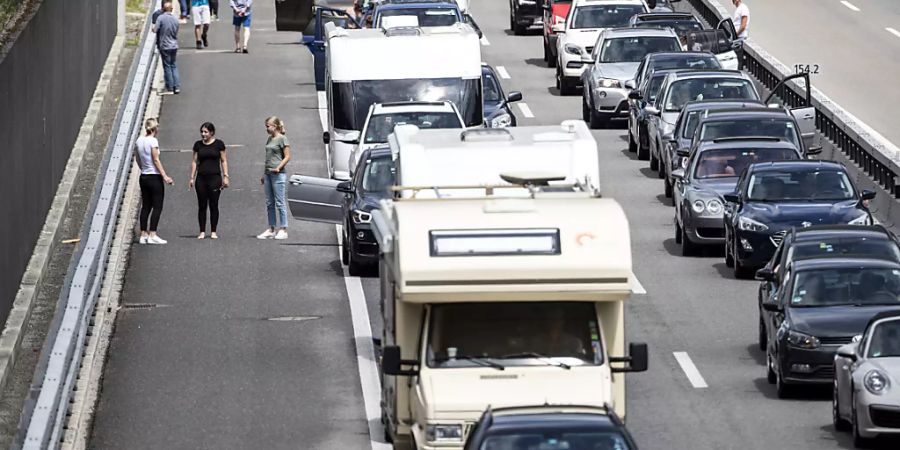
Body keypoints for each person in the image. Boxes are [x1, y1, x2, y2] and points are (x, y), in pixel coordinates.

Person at [134, 119, 175, 244]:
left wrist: (143, 169)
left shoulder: (139, 140)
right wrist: (165, 176)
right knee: (157, 205)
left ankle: (143, 234)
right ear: (154, 129)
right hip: (154, 177)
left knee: (146, 205)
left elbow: (137, 157)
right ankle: (153, 233)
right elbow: (156, 159)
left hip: (144, 176)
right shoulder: (153, 141)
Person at [189, 122, 229, 239]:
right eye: (202, 132)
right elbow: (194, 161)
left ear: (211, 133)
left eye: (206, 132)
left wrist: (226, 175)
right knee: (202, 205)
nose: (203, 134)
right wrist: (192, 177)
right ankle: (202, 231)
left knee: (214, 204)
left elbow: (223, 160)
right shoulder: (198, 145)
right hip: (201, 178)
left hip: (215, 178)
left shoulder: (219, 144)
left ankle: (213, 231)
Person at [258, 116, 292, 240]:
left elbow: (287, 156)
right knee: (269, 202)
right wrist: (264, 173)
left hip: (278, 174)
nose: (266, 128)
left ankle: (283, 229)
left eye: (268, 126)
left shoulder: (283, 139)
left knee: (280, 202)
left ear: (275, 126)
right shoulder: (269, 139)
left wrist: (278, 167)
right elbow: (268, 157)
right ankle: (271, 228)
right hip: (268, 174)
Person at [155, 1, 181, 94]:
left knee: (167, 66)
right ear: (171, 9)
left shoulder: (160, 18)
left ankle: (170, 86)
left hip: (164, 46)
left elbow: (155, 29)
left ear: (163, 9)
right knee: (173, 65)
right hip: (174, 45)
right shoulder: (175, 19)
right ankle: (177, 86)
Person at [732, 0, 750, 69]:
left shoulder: (743, 8)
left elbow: (743, 25)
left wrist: (735, 34)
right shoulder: (738, 9)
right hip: (737, 38)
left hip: (740, 38)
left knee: (738, 60)